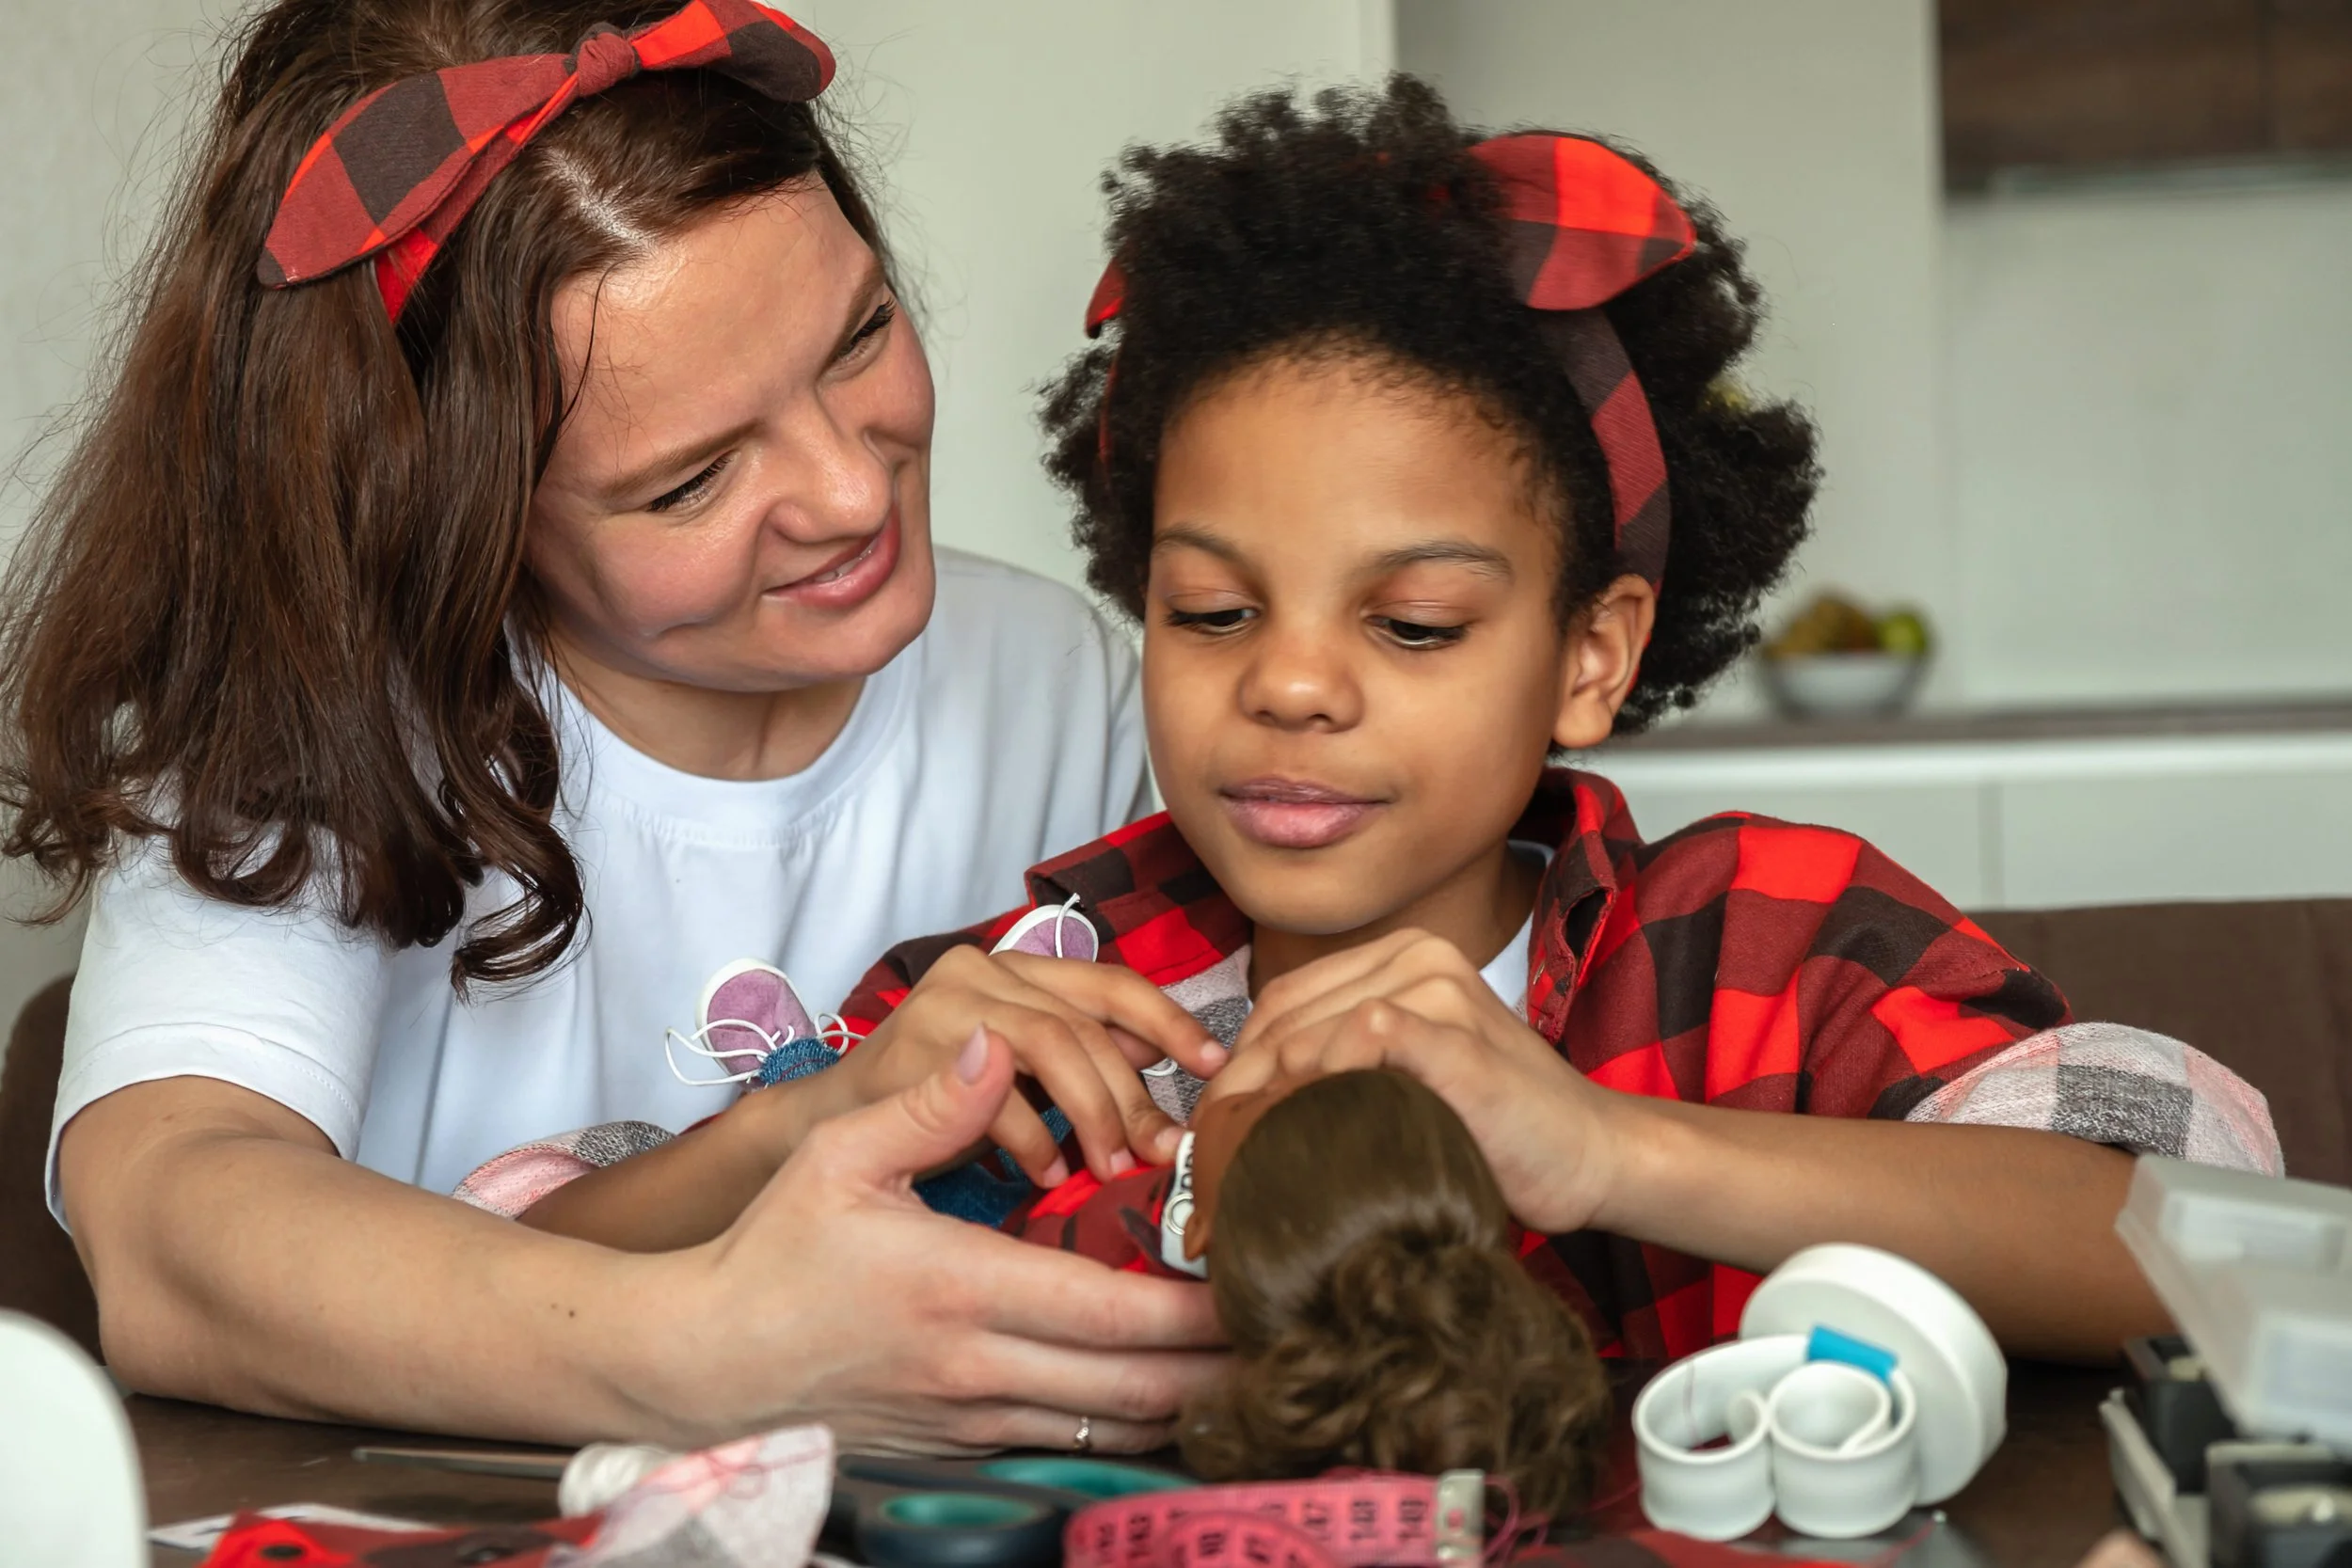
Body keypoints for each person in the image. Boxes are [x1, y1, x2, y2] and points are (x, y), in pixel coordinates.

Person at [499, 79, 2280, 1366]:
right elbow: (550, 1281)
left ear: (1591, 654)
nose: (1289, 681)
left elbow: (2195, 1237)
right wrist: (797, 1124)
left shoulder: (1756, 941)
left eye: (1413, 621)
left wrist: (1605, 1146)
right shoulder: (1050, 991)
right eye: (1211, 610)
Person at [4, 0, 1232, 1449]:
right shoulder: (309, 742)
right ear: (457, 510)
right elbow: (170, 1245)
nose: (850, 494)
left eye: (858, 336)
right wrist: (725, 1344)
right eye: (692, 481)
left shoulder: (1069, 688)